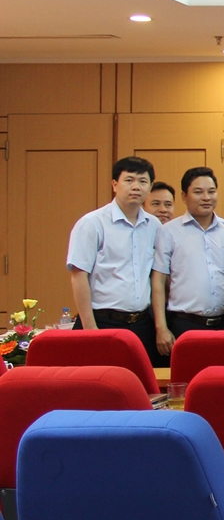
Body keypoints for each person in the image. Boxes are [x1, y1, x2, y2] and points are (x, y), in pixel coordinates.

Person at [66, 155, 162, 365]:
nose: (136, 187)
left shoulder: (154, 226)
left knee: (143, 381)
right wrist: (90, 328)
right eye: (129, 180)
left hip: (142, 324)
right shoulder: (92, 223)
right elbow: (79, 276)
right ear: (114, 184)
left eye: (143, 181)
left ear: (150, 187)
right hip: (102, 321)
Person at [152, 166, 224, 354]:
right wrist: (161, 327)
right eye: (198, 192)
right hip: (185, 324)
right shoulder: (168, 232)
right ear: (184, 196)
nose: (206, 197)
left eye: (211, 191)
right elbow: (158, 281)